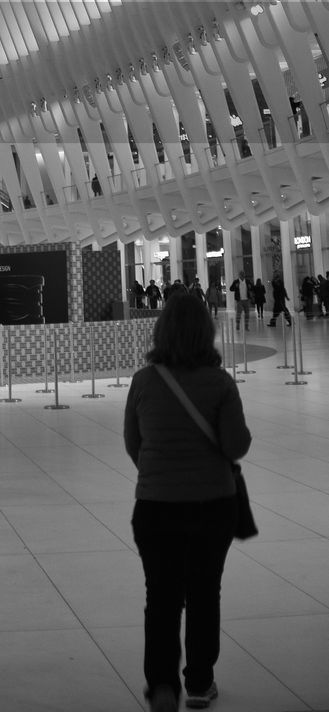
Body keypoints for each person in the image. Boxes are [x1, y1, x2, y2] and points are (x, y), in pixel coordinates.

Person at [124, 292, 251, 712]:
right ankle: (199, 682)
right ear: (206, 332)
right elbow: (236, 446)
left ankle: (161, 685)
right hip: (212, 505)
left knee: (160, 597)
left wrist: (161, 468)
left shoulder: (144, 381)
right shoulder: (220, 383)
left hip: (155, 507)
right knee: (203, 592)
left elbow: (133, 444)